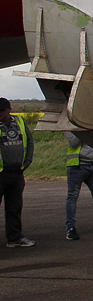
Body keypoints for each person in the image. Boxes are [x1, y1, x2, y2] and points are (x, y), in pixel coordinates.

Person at [0, 97, 34, 248]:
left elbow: (30, 142)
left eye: (2, 111)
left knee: (14, 207)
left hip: (17, 172)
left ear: (9, 109)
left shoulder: (19, 122)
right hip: (1, 172)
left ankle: (14, 237)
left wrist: (27, 162)